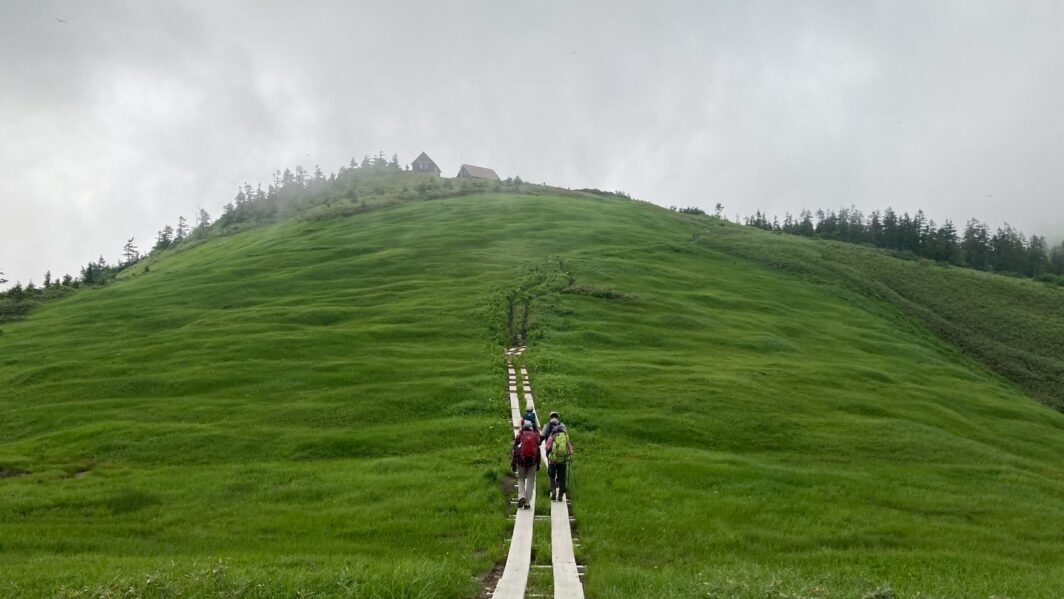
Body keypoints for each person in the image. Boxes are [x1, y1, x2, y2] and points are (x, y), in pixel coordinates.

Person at [510, 421, 541, 509]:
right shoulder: (535, 436)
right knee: (531, 481)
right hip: (533, 462)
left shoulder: (519, 436)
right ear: (531, 428)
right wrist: (538, 463)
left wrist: (513, 463)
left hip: (521, 462)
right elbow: (538, 450)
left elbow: (515, 451)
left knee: (521, 479)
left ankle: (521, 496)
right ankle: (527, 503)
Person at [545, 423, 573, 501]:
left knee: (551, 476)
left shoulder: (552, 437)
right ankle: (560, 494)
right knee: (562, 477)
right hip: (562, 460)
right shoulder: (565, 437)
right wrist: (569, 454)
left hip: (553, 460)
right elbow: (570, 450)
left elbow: (546, 447)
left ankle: (553, 491)